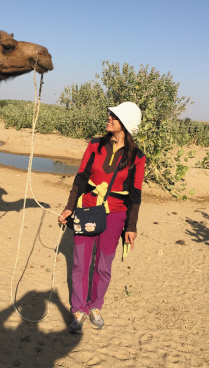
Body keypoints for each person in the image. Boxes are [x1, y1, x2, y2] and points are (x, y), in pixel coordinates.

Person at [58, 102, 147, 334]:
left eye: (114, 116)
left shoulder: (137, 157)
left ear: (125, 125)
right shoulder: (95, 145)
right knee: (80, 264)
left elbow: (135, 195)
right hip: (87, 209)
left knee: (103, 266)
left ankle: (95, 306)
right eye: (110, 114)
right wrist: (69, 207)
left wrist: (131, 226)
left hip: (116, 215)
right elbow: (81, 177)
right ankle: (78, 310)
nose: (108, 117)